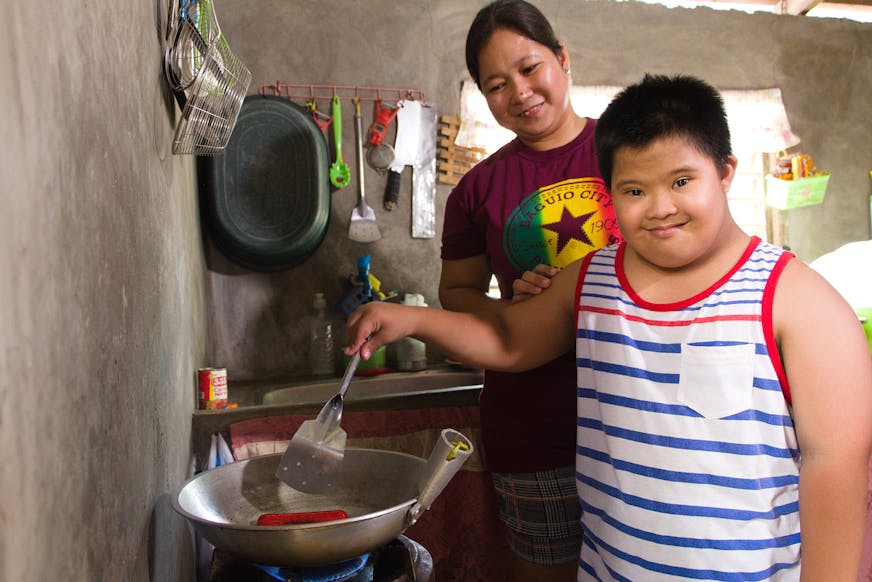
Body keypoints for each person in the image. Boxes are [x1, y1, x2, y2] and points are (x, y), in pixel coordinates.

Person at [346, 74, 872, 580]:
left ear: (726, 171)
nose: (660, 208)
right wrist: (410, 318)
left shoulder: (797, 301)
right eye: (634, 190)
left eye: (682, 181)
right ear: (610, 192)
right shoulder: (592, 278)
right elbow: (509, 342)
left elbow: (836, 469)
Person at [439, 2, 621, 579]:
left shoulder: (628, 153)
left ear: (562, 59)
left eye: (529, 68)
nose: (518, 92)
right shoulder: (475, 190)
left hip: (637, 418)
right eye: (496, 85)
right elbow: (458, 293)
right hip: (533, 430)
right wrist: (513, 306)